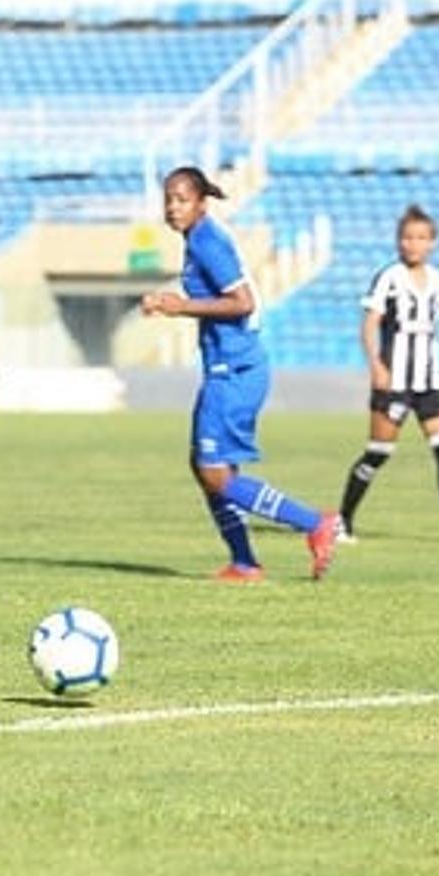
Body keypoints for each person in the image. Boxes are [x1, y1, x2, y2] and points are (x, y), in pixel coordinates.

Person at [141, 166, 337, 583]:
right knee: (206, 468)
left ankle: (315, 523)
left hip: (236, 371)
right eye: (169, 199)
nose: (174, 207)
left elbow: (243, 301)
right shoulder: (198, 239)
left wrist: (180, 306)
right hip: (228, 368)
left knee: (214, 473)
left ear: (200, 202)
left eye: (182, 199)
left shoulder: (209, 241)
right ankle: (244, 563)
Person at [336, 205, 439, 547]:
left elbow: (433, 328)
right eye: (407, 237)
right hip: (394, 381)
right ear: (399, 241)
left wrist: (437, 368)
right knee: (378, 452)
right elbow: (370, 325)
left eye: (421, 238)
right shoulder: (389, 277)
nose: (413, 244)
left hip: (431, 382)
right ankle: (343, 523)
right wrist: (376, 366)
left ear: (433, 242)